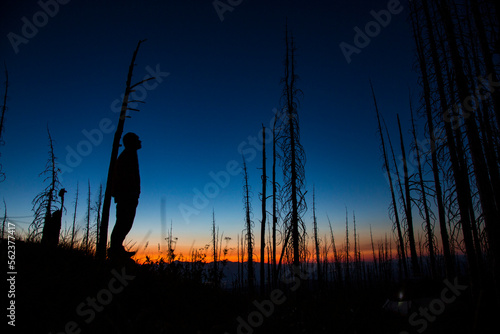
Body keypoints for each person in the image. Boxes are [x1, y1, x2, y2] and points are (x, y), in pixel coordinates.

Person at [109, 132, 142, 258]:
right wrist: (130, 193)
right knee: (123, 223)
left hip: (128, 196)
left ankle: (117, 249)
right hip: (126, 196)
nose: (140, 142)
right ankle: (115, 250)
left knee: (125, 223)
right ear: (132, 142)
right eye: (137, 139)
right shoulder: (127, 156)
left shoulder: (130, 155)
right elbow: (123, 177)